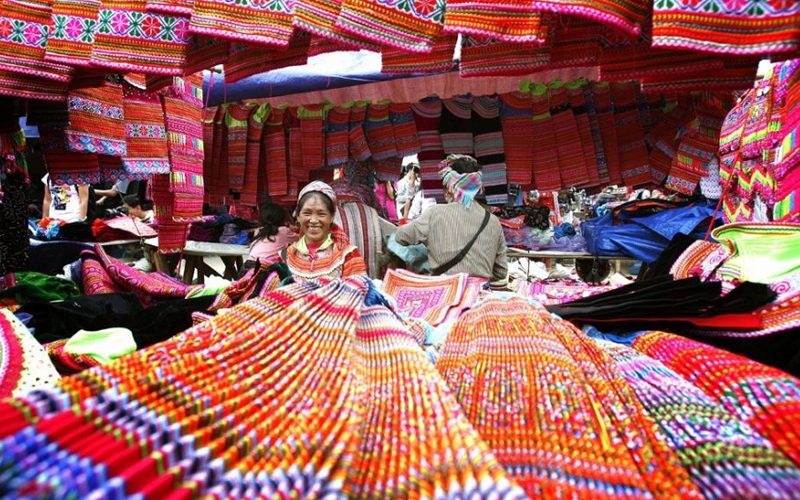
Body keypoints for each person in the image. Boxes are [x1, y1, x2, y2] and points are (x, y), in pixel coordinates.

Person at [394, 155, 508, 283]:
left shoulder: (434, 213)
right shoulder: (493, 221)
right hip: (479, 294)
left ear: (451, 186)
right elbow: (501, 272)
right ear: (476, 187)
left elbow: (400, 237)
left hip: (443, 293)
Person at [282, 180, 367, 279]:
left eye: (321, 214)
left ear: (331, 217)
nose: (313, 220)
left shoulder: (348, 256)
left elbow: (359, 290)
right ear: (298, 216)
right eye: (307, 213)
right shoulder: (286, 256)